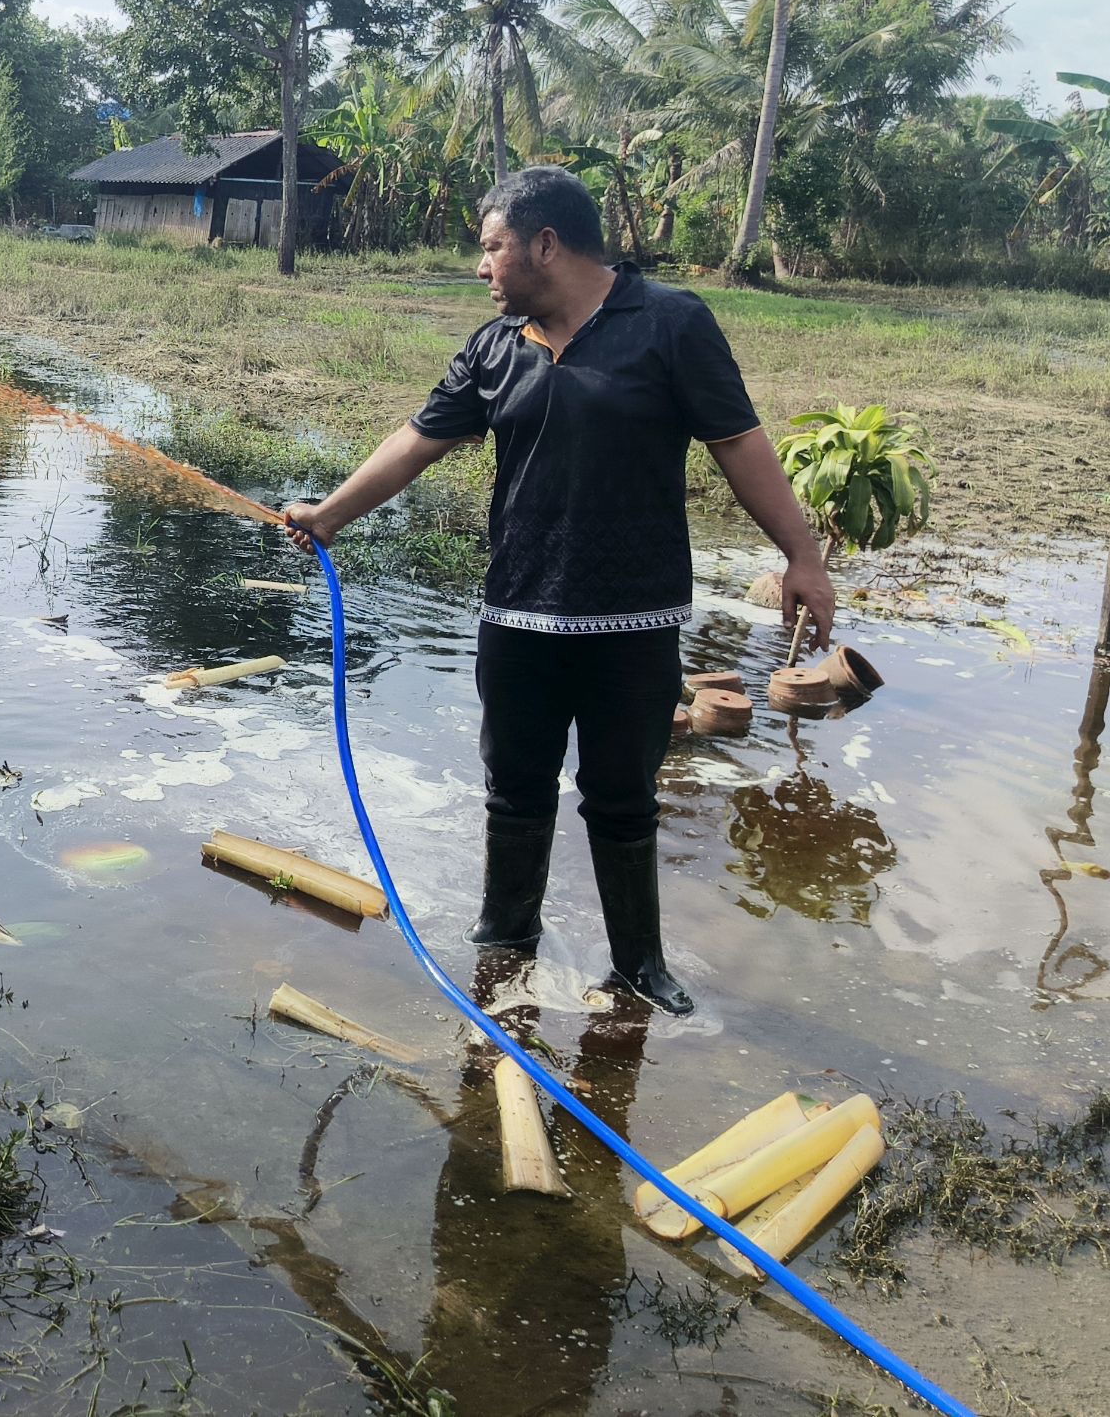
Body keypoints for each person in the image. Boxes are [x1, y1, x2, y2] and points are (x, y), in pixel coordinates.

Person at [283, 167, 834, 1015]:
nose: (482, 266)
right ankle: (504, 947)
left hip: (632, 621)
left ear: (546, 244)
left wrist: (801, 554)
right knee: (516, 787)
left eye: (492, 246)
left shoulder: (671, 324)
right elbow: (418, 439)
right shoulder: (497, 346)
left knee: (622, 796)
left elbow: (739, 443)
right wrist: (329, 515)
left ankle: (640, 964)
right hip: (518, 614)